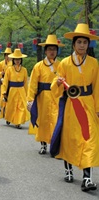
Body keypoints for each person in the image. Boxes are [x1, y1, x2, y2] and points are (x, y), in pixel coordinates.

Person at [50, 23, 99, 192]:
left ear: (88, 44)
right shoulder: (64, 63)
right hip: (72, 104)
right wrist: (56, 83)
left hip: (89, 105)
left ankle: (87, 178)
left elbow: (98, 87)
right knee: (70, 138)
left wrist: (98, 108)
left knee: (90, 139)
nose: (82, 45)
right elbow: (56, 85)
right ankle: (68, 169)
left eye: (85, 42)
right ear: (73, 44)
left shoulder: (94, 63)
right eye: (79, 42)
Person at [27, 35, 64, 154]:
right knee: (43, 120)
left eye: (54, 49)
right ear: (46, 51)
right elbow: (33, 83)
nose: (52, 52)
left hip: (57, 96)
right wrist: (30, 99)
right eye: (50, 49)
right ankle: (43, 144)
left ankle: (55, 144)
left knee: (56, 119)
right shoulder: (39, 66)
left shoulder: (61, 65)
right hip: (43, 97)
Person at [0, 48, 29, 129]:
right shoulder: (9, 69)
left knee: (21, 106)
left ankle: (18, 122)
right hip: (12, 90)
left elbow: (25, 82)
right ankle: (9, 118)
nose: (17, 61)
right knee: (11, 106)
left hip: (21, 90)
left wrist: (28, 94)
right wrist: (4, 92)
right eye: (16, 59)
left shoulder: (24, 70)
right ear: (13, 60)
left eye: (19, 59)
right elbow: (5, 81)